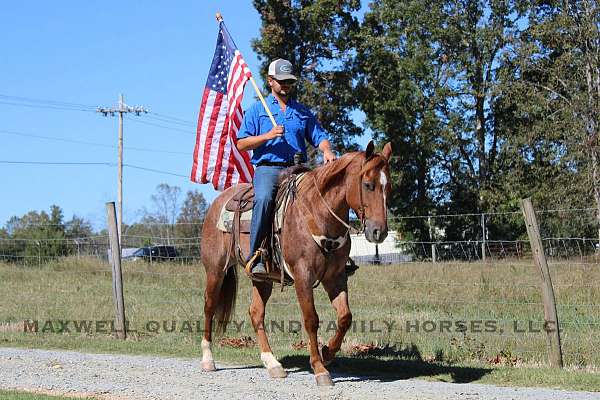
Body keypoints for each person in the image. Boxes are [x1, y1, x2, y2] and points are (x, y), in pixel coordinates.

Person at [237, 58, 336, 276]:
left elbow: (319, 136)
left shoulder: (301, 111)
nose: (285, 85)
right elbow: (242, 143)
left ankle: (336, 255)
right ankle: (256, 256)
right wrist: (268, 136)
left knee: (326, 196)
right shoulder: (257, 109)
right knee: (263, 199)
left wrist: (327, 150)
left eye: (289, 81)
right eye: (281, 81)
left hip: (299, 168)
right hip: (268, 169)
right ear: (270, 81)